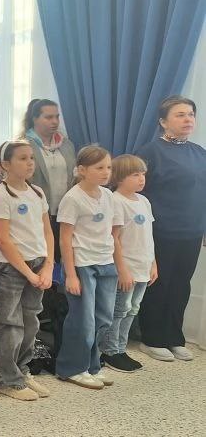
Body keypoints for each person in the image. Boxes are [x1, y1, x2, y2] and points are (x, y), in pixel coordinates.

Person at [136, 95, 205, 363]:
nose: (188, 119)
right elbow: (136, 193)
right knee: (159, 284)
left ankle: (174, 337)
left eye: (191, 114)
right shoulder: (150, 152)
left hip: (192, 230)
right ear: (163, 122)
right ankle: (152, 338)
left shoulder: (199, 152)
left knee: (181, 285)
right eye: (180, 114)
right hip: (161, 230)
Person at [0, 141, 55, 401]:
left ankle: (22, 371)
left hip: (37, 264)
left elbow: (47, 231)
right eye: (22, 158)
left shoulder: (37, 192)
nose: (30, 163)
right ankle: (5, 379)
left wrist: (48, 265)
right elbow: (3, 240)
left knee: (30, 322)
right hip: (11, 268)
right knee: (7, 324)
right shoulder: (0, 196)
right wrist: (28, 273)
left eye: (31, 158)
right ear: (5, 165)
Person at [55, 145, 121, 390]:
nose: (106, 172)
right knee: (83, 320)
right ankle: (72, 367)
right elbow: (65, 239)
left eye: (108, 167)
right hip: (82, 264)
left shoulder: (108, 196)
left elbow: (112, 233)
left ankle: (92, 365)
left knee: (103, 317)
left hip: (106, 261)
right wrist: (70, 274)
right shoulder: (72, 198)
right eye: (99, 167)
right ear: (82, 170)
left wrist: (118, 264)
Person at [100, 155, 156, 373]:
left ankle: (121, 348)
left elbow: (148, 236)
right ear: (119, 177)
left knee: (133, 308)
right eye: (135, 175)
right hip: (126, 268)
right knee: (119, 310)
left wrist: (153, 263)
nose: (141, 179)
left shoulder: (144, 201)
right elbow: (113, 238)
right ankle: (110, 350)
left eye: (143, 174)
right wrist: (122, 269)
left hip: (143, 266)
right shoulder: (115, 201)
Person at [21, 99, 76, 260]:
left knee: (63, 257)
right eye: (48, 117)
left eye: (57, 117)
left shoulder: (67, 145)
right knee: (42, 257)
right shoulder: (24, 145)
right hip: (37, 212)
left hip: (65, 212)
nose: (55, 121)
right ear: (35, 118)